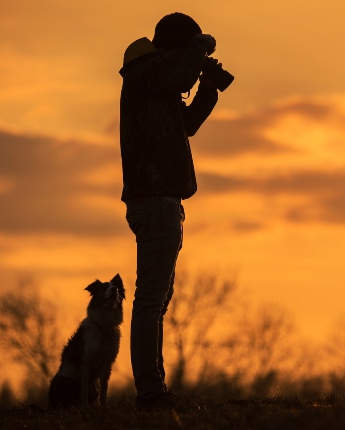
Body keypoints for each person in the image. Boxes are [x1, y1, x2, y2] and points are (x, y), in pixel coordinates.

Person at [118, 12, 219, 409]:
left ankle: (153, 389)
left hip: (165, 201)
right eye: (187, 49)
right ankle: (150, 393)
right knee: (150, 297)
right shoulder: (145, 71)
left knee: (157, 299)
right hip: (155, 200)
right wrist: (199, 51)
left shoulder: (158, 84)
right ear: (175, 48)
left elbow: (187, 124)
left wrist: (208, 86)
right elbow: (177, 78)